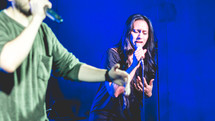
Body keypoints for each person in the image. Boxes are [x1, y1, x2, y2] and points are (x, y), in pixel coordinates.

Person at [0, 0, 129, 121]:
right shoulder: (3, 24)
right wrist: (37, 18)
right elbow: (7, 62)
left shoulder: (44, 32)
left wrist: (107, 75)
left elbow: (70, 67)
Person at [89, 14, 157, 121]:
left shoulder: (147, 59)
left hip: (130, 116)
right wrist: (134, 65)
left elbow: (143, 91)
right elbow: (114, 91)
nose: (140, 36)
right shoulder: (112, 54)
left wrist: (148, 92)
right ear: (128, 32)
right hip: (106, 115)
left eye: (144, 33)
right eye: (136, 31)